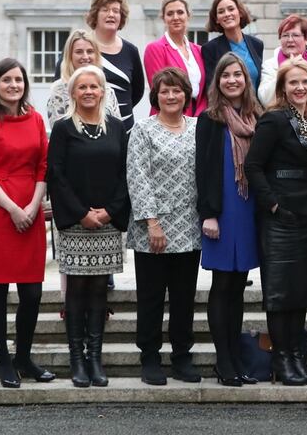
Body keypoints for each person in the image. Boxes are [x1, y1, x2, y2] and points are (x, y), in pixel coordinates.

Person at [244, 58, 307, 386]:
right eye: (293, 82)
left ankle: (296, 357)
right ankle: (282, 360)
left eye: (305, 82)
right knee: (281, 294)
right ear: (282, 88)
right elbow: (253, 166)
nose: (300, 87)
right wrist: (274, 205)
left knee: (299, 292)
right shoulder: (275, 119)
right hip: (281, 218)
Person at [0, 58, 55, 388]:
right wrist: (13, 209)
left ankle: (24, 356)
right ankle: (3, 360)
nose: (13, 85)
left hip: (30, 208)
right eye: (6, 80)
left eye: (18, 80)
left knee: (32, 292)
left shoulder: (34, 119)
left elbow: (42, 165)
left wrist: (33, 206)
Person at [46, 65, 130, 388]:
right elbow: (57, 176)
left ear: (103, 90)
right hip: (75, 224)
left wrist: (109, 212)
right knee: (77, 289)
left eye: (94, 86)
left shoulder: (117, 128)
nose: (89, 92)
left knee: (98, 289)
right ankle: (77, 359)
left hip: (107, 224)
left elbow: (126, 174)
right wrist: (82, 214)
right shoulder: (65, 129)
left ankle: (95, 357)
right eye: (82, 87)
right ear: (73, 93)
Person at [127, 67, 202, 386]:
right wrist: (152, 223)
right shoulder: (142, 130)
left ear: (186, 94)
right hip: (152, 229)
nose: (171, 96)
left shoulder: (200, 128)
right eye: (164, 91)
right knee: (152, 297)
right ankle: (150, 358)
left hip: (190, 226)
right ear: (155, 97)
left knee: (184, 298)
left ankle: (182, 357)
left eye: (177, 90)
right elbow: (137, 176)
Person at [195, 53, 263, 387]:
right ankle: (223, 361)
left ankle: (236, 356)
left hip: (249, 211)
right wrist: (209, 214)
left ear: (246, 80)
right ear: (217, 81)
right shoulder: (210, 118)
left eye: (238, 75)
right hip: (221, 212)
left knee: (238, 287)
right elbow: (204, 170)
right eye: (226, 76)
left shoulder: (256, 115)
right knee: (222, 285)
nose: (232, 80)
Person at [84, 0, 145, 131]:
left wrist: (117, 110)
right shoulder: (81, 47)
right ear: (95, 15)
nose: (111, 14)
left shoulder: (131, 50)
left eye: (116, 11)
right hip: (88, 126)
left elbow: (137, 90)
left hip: (124, 128)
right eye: (105, 10)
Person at [143, 0, 207, 116]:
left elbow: (205, 90)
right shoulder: (155, 49)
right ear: (163, 18)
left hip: (198, 119)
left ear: (188, 15)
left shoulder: (199, 50)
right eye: (170, 14)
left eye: (180, 12)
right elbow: (160, 91)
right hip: (168, 119)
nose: (175, 17)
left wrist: (200, 116)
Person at [46, 30, 121, 124]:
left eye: (90, 51)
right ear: (70, 56)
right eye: (79, 52)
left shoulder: (107, 90)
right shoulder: (58, 91)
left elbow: (118, 128)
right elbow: (57, 131)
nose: (85, 57)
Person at [202, 0, 265, 92]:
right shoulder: (210, 49)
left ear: (240, 12)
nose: (227, 14)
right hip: (226, 106)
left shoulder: (257, 44)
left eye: (231, 9)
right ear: (217, 19)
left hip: (255, 106)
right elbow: (211, 88)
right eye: (221, 12)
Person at [259, 14, 307, 107]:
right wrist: (284, 70)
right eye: (285, 35)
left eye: (295, 35)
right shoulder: (270, 65)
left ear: (306, 39)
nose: (290, 40)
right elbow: (265, 99)